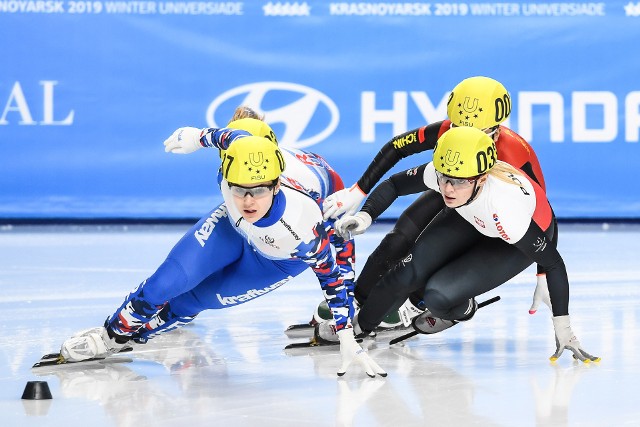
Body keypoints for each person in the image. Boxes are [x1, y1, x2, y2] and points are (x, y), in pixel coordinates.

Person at [58, 108, 385, 378]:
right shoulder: (238, 151)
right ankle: (110, 337)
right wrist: (195, 137)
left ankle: (166, 321)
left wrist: (346, 330)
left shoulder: (302, 224)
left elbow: (334, 268)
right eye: (237, 188)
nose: (247, 200)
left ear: (275, 183)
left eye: (258, 189)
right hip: (231, 227)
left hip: (278, 256)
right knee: (165, 282)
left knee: (190, 301)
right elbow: (226, 136)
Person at [332, 126, 599, 363]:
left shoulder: (506, 208)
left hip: (509, 240)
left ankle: (462, 307)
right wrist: (365, 216)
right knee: (406, 271)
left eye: (457, 182)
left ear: (482, 179)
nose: (447, 189)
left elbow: (554, 261)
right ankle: (360, 327)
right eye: (443, 178)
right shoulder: (452, 174)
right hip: (472, 212)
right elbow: (393, 185)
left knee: (437, 295)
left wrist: (563, 325)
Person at [320, 76, 554, 324]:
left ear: (495, 132)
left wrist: (544, 273)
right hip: (453, 192)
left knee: (438, 262)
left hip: (487, 209)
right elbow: (397, 147)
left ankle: (419, 304)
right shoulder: (448, 131)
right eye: (456, 129)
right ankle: (358, 298)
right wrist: (358, 191)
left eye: (472, 133)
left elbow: (543, 215)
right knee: (397, 242)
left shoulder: (514, 154)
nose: (461, 139)